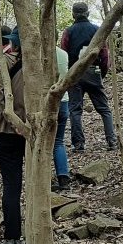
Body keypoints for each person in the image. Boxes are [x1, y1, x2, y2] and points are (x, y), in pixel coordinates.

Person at [60, 2, 116, 152]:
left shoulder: (68, 32)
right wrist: (101, 74)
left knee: (75, 110)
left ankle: (78, 145)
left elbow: (64, 54)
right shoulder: (97, 30)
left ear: (73, 14)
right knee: (104, 109)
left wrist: (67, 76)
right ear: (88, 13)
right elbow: (104, 55)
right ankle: (112, 141)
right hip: (93, 72)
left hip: (75, 74)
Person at [0, 27, 26, 244]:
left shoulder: (3, 62)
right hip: (34, 130)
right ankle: (33, 235)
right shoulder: (41, 64)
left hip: (7, 130)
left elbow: (0, 97)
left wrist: (14, 121)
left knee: (11, 185)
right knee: (34, 184)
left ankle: (12, 239)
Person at [53, 45, 71, 190]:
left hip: (49, 101)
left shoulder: (39, 55)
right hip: (64, 100)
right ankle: (63, 177)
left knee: (44, 143)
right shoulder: (64, 54)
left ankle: (43, 179)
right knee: (58, 142)